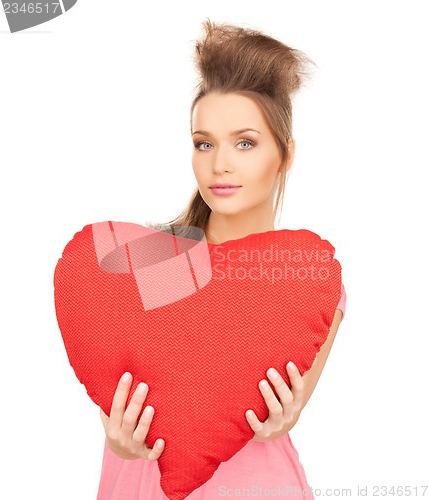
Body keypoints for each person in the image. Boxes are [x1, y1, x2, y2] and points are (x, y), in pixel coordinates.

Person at [97, 18, 347, 499]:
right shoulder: (158, 258)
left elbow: (276, 424)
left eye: (245, 142)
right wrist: (121, 439)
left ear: (286, 154)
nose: (220, 164)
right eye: (204, 143)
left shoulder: (307, 278)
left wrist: (280, 418)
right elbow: (116, 395)